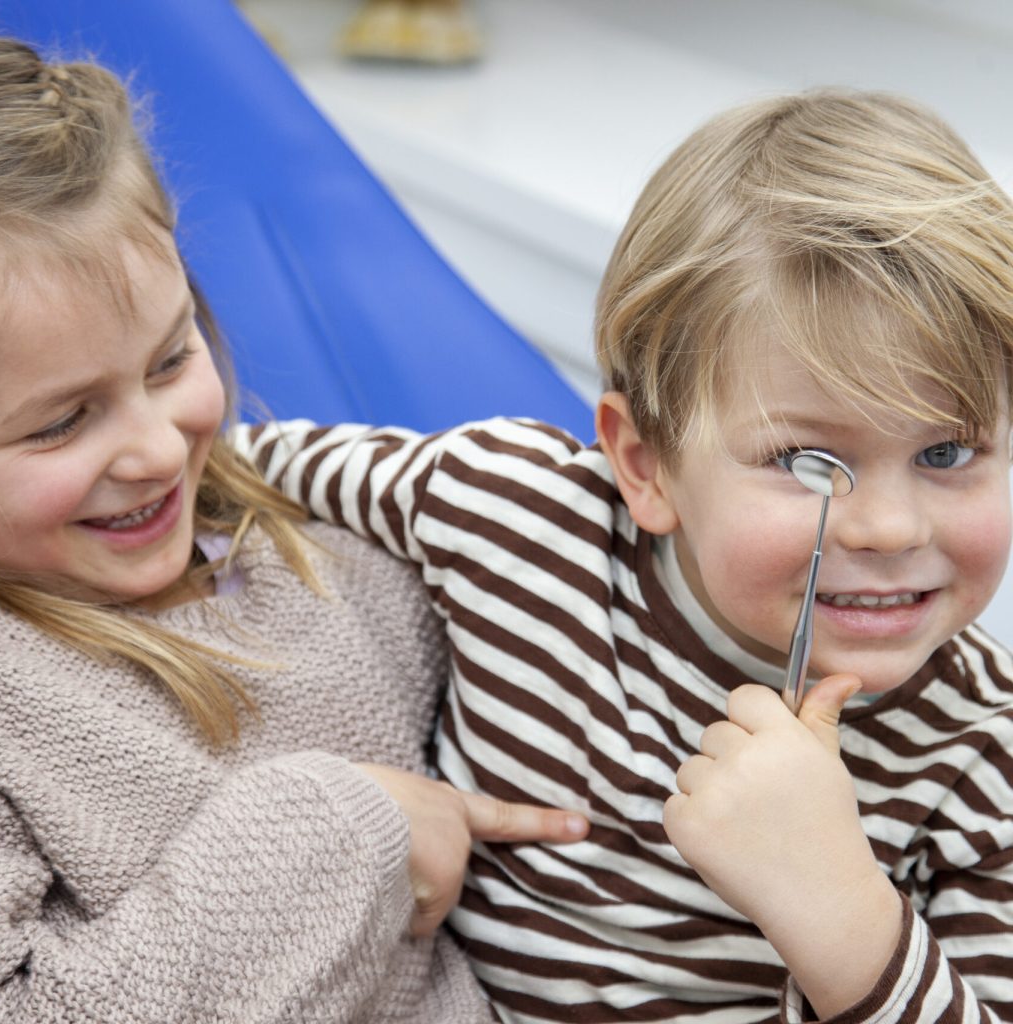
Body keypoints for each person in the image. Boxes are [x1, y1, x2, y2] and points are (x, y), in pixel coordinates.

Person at [235, 89, 1013, 1023]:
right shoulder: (506, 505)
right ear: (645, 465)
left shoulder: (984, 758)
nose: (888, 528)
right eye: (809, 462)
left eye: (947, 453)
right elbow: (223, 468)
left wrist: (840, 908)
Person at [0, 33, 591, 1023]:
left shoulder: (320, 539)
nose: (153, 446)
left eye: (170, 359)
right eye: (62, 420)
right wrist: (353, 832)